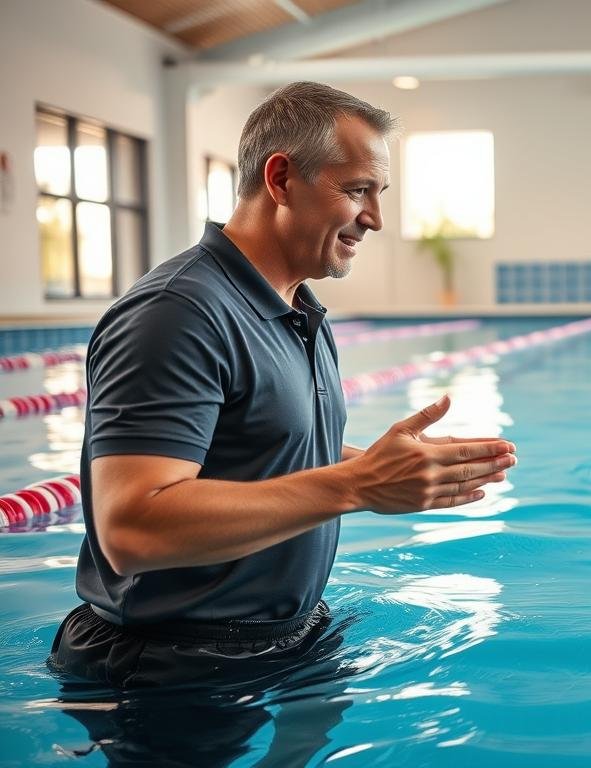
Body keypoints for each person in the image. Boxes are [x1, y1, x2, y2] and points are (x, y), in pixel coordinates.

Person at [48, 82, 517, 693]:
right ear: (280, 179)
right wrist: (358, 483)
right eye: (356, 190)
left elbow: (267, 448)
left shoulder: (298, 309)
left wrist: (385, 467)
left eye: (379, 194)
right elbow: (131, 530)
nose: (374, 218)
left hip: (284, 635)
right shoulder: (178, 313)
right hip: (166, 668)